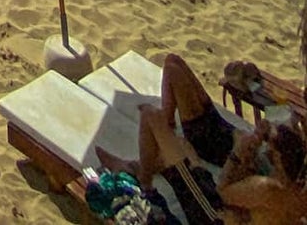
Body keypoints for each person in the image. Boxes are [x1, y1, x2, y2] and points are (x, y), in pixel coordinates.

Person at [103, 57, 307, 225]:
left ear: (279, 162)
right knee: (180, 146)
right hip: (221, 206)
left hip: (211, 215)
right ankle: (143, 166)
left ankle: (145, 186)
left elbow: (221, 193)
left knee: (151, 116)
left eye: (270, 151)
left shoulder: (267, 187)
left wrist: (238, 154)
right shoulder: (294, 191)